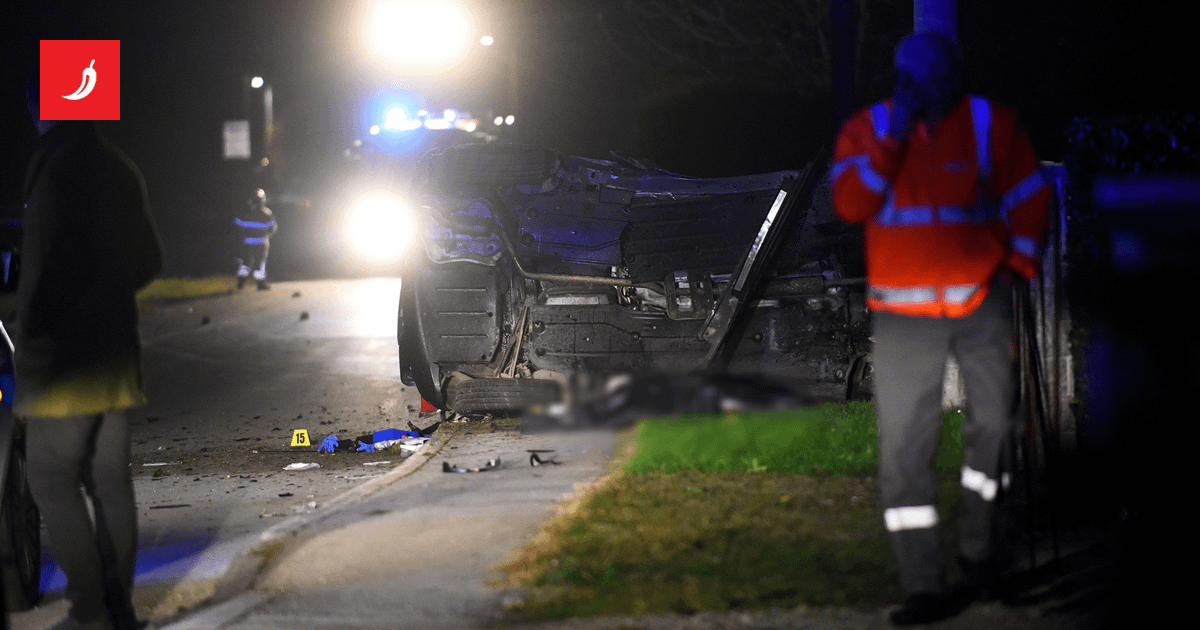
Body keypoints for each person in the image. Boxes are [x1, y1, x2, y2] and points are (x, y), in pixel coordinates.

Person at [831, 32, 1050, 625]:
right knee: (906, 447)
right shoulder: (868, 130)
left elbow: (1030, 196)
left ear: (956, 75)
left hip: (982, 302)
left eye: (937, 77)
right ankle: (923, 584)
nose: (927, 89)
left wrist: (1020, 265)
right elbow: (851, 206)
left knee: (996, 430)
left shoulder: (989, 124)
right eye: (915, 79)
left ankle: (984, 557)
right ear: (901, 80)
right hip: (904, 317)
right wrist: (894, 139)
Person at [17, 80, 163, 630]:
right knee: (109, 482)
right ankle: (119, 611)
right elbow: (149, 260)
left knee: (50, 480)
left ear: (46, 109)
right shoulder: (120, 168)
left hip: (63, 362)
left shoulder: (54, 171)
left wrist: (29, 336)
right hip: (115, 356)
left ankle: (90, 612)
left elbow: (41, 275)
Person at [234, 188, 277, 290]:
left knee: (245, 263)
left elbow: (237, 227)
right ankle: (261, 284)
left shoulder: (244, 213)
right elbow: (273, 228)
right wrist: (267, 236)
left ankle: (240, 283)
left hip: (247, 242)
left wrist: (242, 238)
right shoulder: (267, 213)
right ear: (263, 200)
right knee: (260, 263)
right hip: (261, 242)